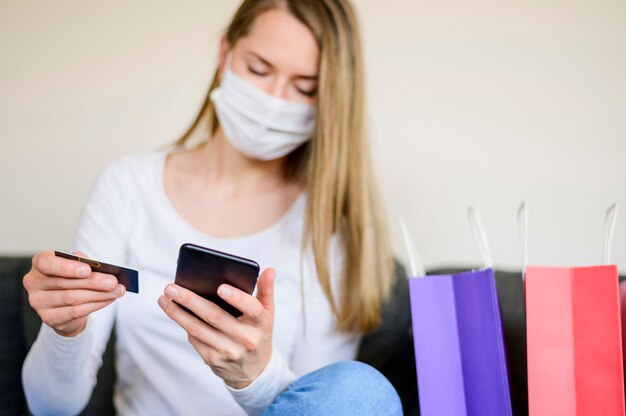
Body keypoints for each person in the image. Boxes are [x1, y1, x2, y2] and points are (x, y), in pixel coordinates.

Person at [22, 0, 404, 414]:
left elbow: (328, 402)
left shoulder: (330, 231)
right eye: (258, 69)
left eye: (304, 88)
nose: (273, 102)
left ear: (329, 98)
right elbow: (51, 408)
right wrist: (64, 331)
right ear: (225, 54)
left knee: (360, 390)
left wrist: (253, 376)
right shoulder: (129, 187)